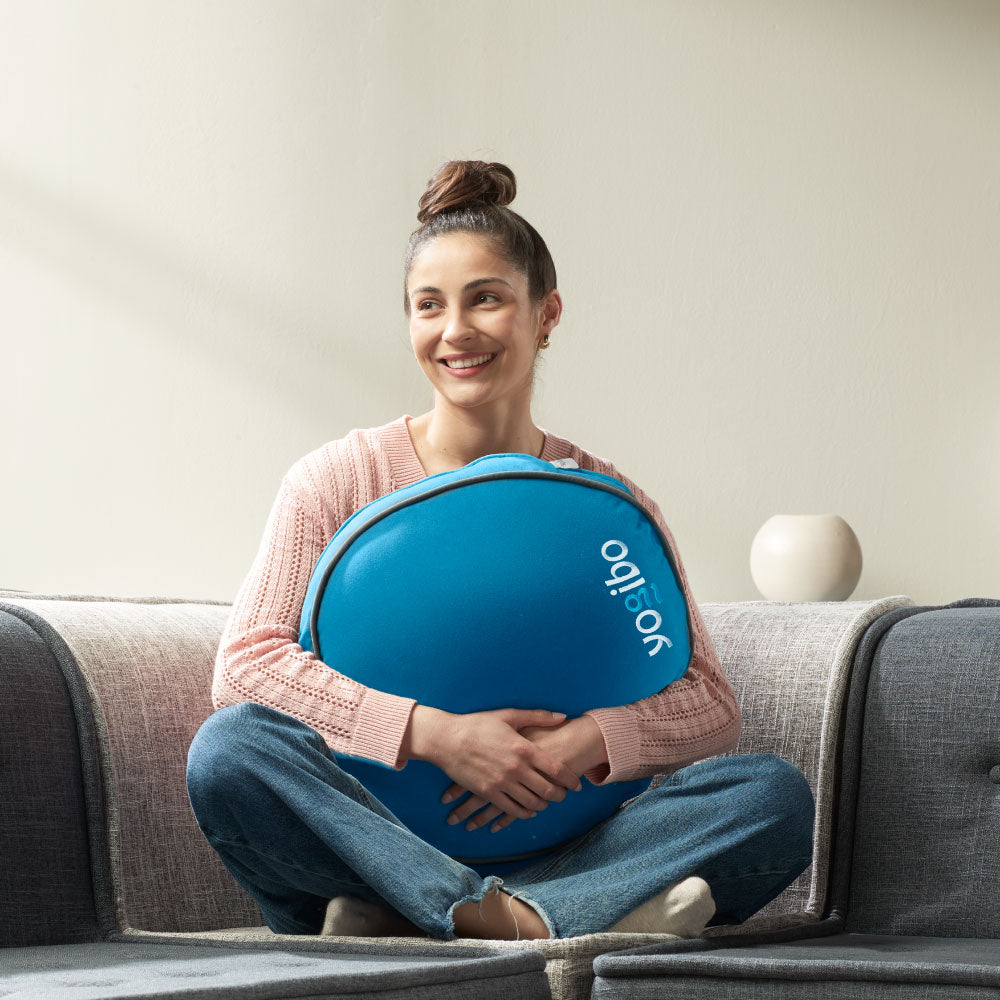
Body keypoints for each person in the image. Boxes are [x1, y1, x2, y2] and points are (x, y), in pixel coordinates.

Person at [186, 159, 815, 942]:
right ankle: (529, 915)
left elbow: (710, 706)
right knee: (230, 752)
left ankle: (452, 915)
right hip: (376, 835)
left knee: (772, 795)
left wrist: (580, 746)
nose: (456, 331)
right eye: (429, 306)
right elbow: (245, 664)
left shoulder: (608, 501)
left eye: (486, 299)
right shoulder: (337, 477)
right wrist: (440, 736)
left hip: (568, 840)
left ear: (546, 314)